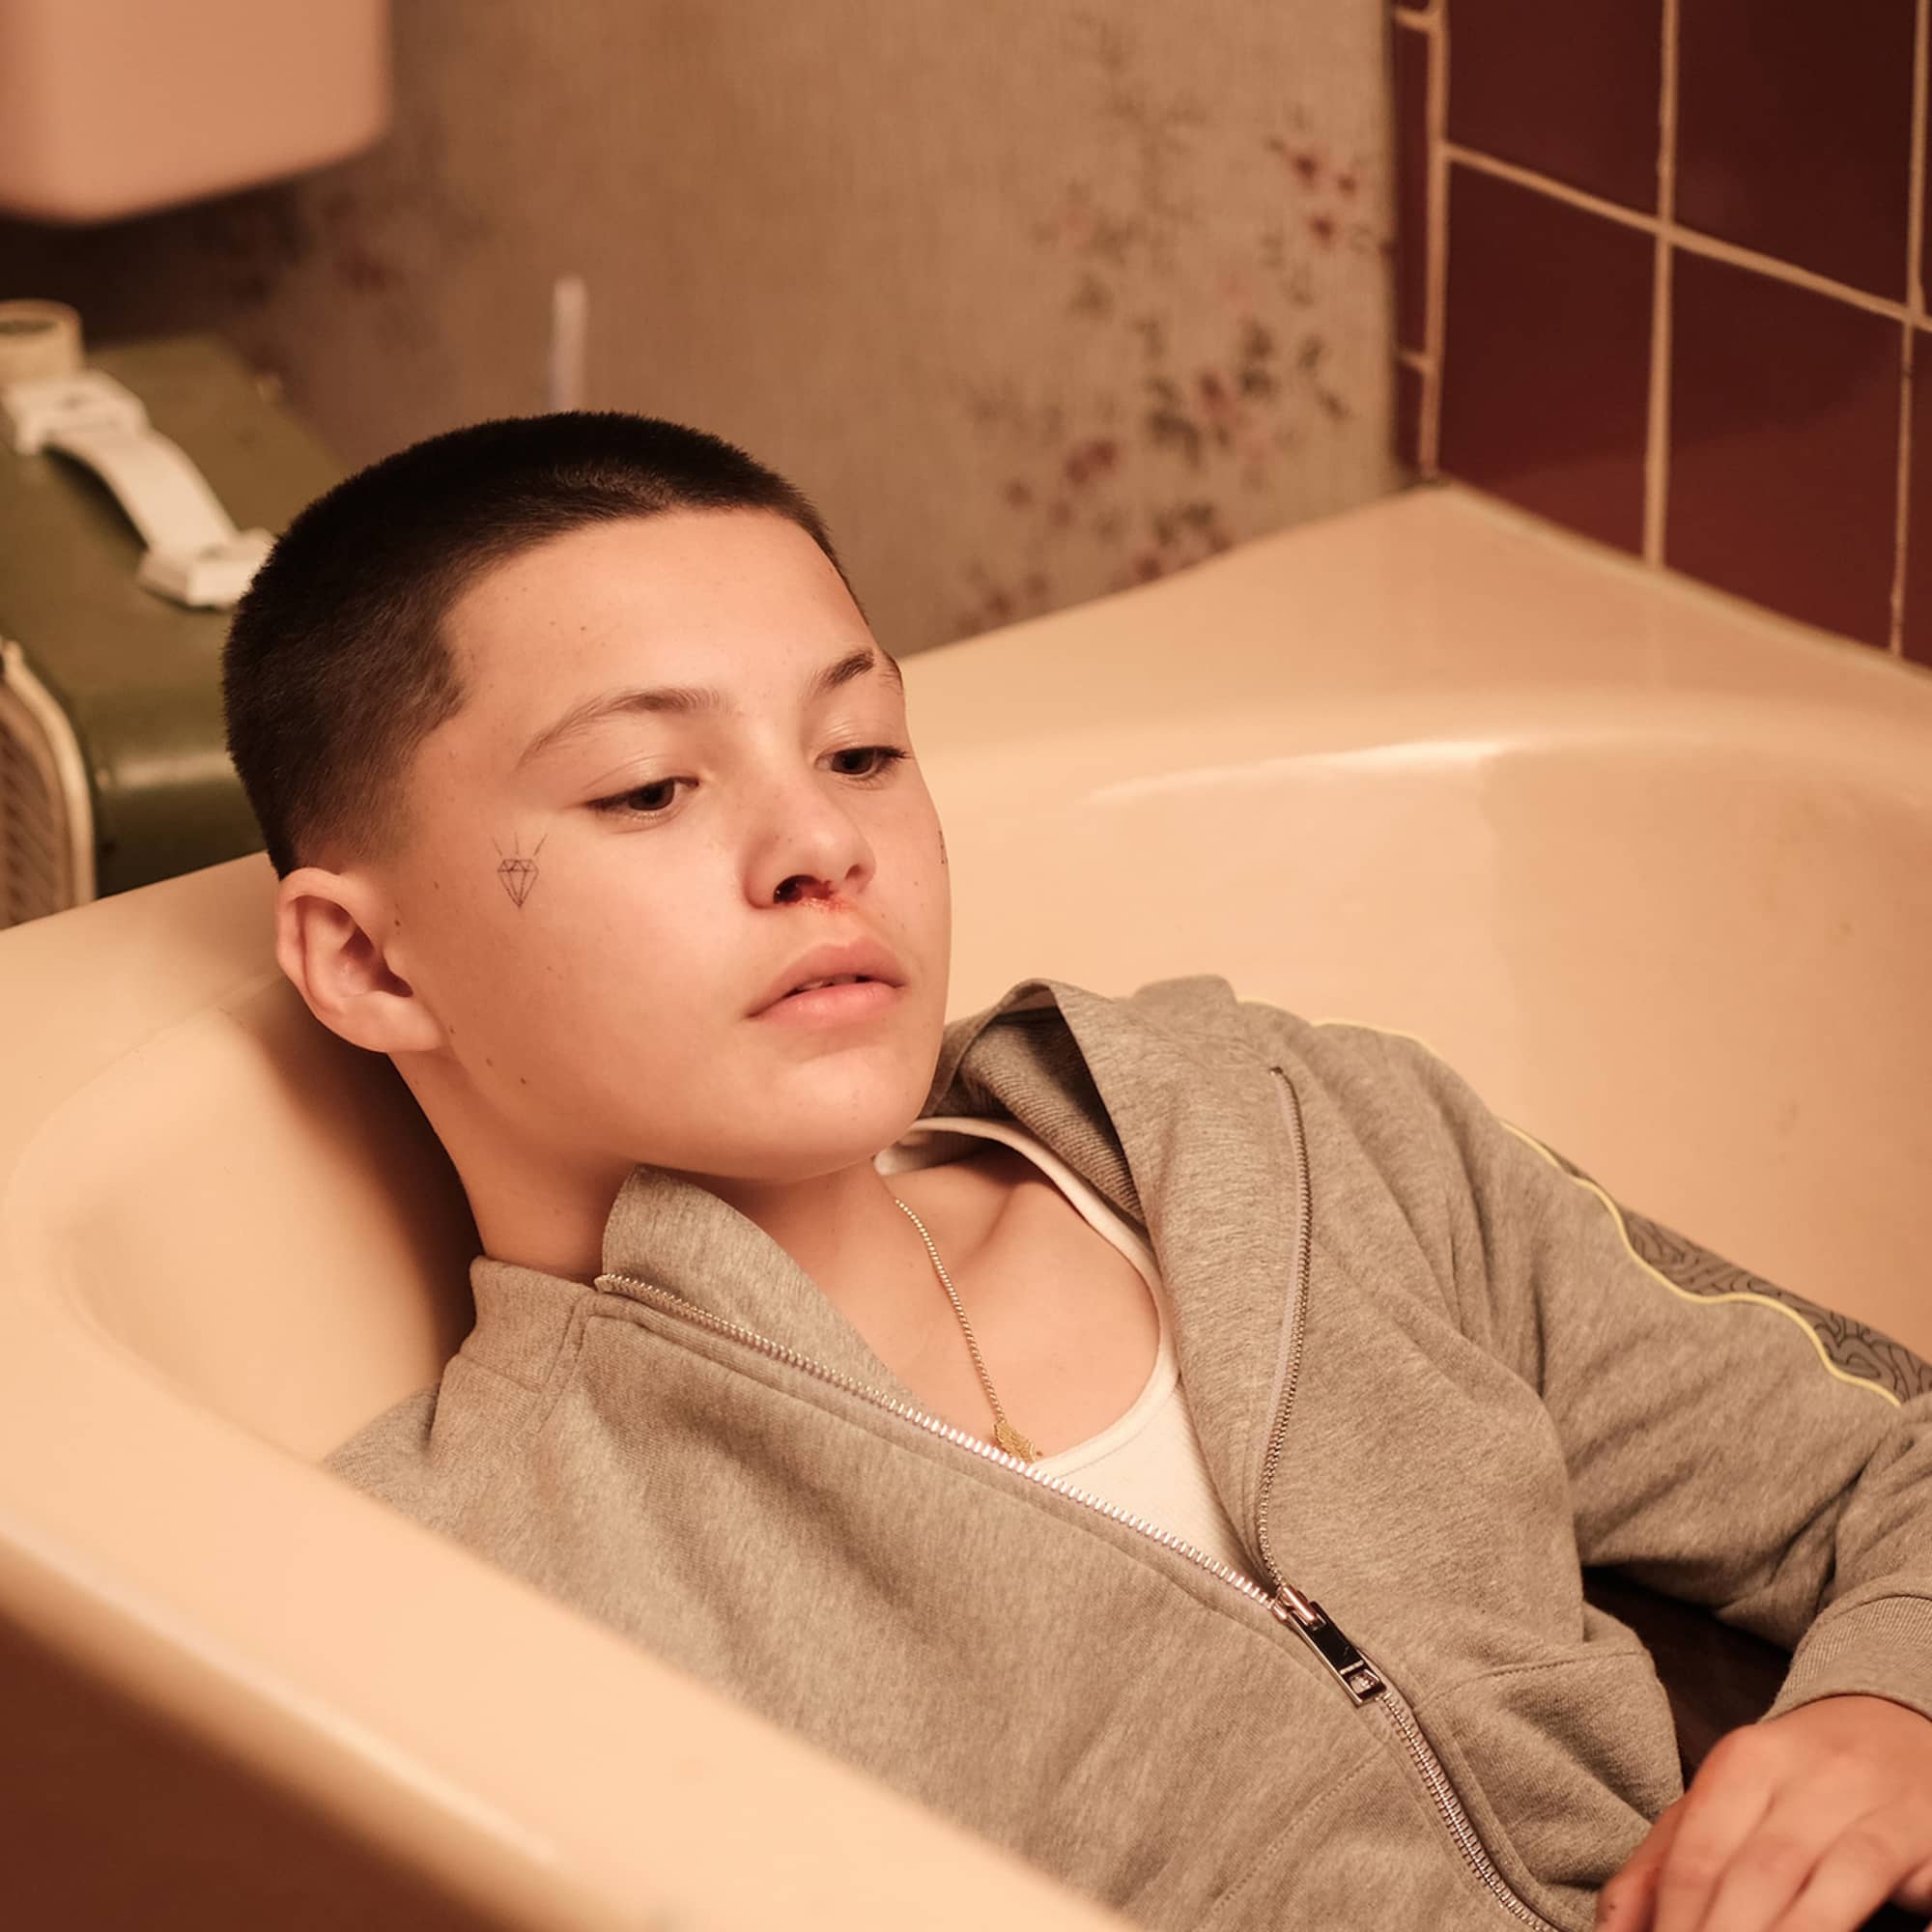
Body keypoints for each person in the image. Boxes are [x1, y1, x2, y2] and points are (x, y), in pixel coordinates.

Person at [222, 412, 1932, 1932]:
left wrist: (1890, 1714)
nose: (823, 844)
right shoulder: (469, 1594)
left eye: (861, 750)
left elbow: (1892, 1455)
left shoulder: (1300, 1129)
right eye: (652, 786)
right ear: (368, 963)